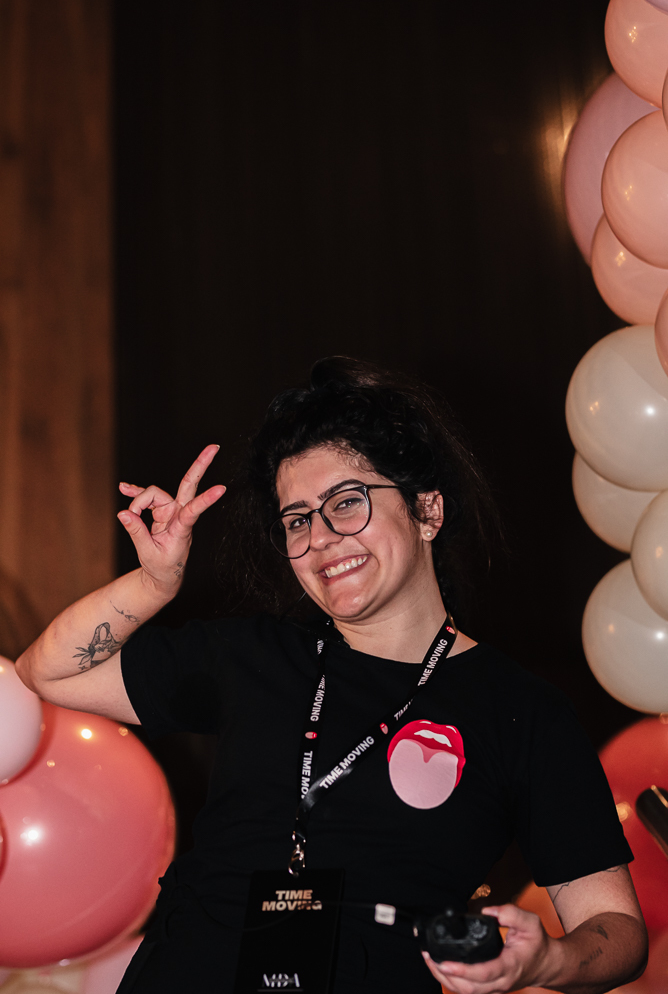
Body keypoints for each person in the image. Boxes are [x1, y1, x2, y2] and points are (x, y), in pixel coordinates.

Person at [16, 357, 646, 994]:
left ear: (427, 511)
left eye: (347, 503)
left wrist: (545, 962)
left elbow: (616, 929)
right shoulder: (253, 655)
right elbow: (48, 673)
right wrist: (154, 583)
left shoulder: (521, 709)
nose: (319, 538)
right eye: (297, 519)